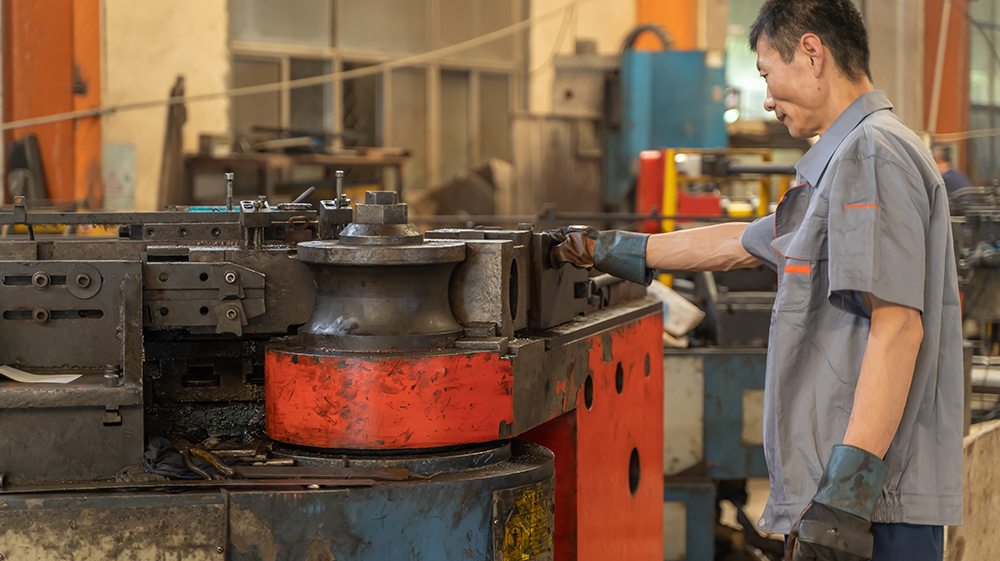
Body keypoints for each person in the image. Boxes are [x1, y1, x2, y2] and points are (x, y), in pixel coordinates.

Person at [548, 1, 962, 560]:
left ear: (812, 53)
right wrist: (609, 249)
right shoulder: (851, 158)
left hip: (874, 509)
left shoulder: (871, 153)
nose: (766, 98)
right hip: (859, 501)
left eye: (767, 73)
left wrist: (843, 504)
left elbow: (898, 328)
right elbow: (742, 242)